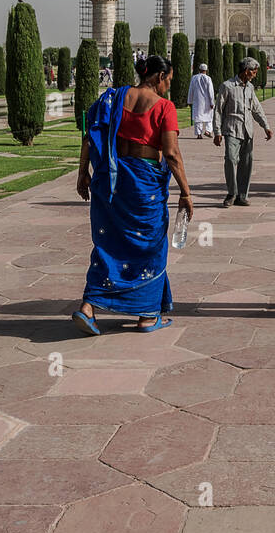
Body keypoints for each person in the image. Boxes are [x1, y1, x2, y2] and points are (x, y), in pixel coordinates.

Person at [74, 54, 193, 336]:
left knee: (108, 244)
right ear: (158, 77)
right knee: (149, 246)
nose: (169, 87)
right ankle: (147, 316)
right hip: (143, 185)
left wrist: (82, 173)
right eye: (169, 81)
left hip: (111, 181)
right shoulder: (164, 107)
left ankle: (89, 307)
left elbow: (91, 136)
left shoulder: (113, 97)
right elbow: (172, 154)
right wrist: (186, 192)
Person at [213, 56, 272, 207]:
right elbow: (218, 110)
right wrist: (217, 131)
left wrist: (265, 126)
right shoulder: (227, 86)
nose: (255, 74)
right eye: (254, 71)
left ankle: (242, 195)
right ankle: (232, 193)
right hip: (232, 129)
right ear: (246, 71)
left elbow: (256, 108)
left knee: (246, 164)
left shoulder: (250, 88)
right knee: (231, 161)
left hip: (247, 130)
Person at [188, 63, 215, 138]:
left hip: (197, 101)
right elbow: (211, 91)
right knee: (209, 117)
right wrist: (212, 102)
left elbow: (191, 89)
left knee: (198, 118)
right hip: (207, 101)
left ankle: (199, 134)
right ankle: (208, 131)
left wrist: (190, 101)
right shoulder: (208, 78)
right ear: (206, 70)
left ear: (199, 69)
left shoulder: (194, 78)